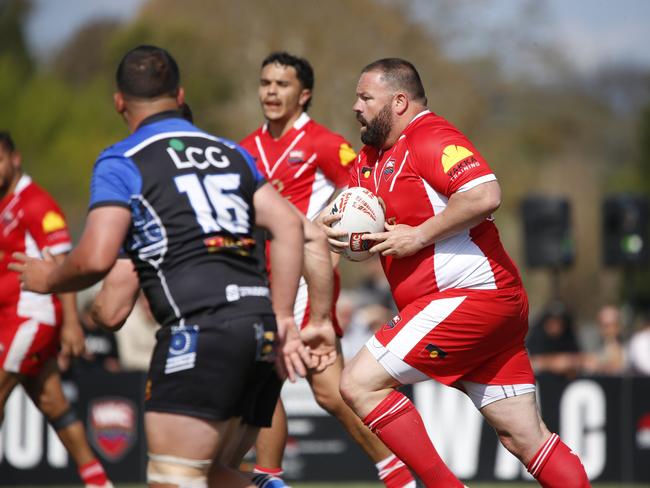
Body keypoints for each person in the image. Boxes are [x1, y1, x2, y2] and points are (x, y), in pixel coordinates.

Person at [10, 45, 334, 488]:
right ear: (179, 95)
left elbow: (98, 259)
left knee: (173, 478)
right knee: (214, 474)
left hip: (199, 332)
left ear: (119, 102)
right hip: (259, 330)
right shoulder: (231, 153)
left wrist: (51, 278)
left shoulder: (123, 160)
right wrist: (283, 318)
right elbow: (291, 227)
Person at [318, 58, 591, 487]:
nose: (356, 106)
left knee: (357, 383)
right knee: (524, 438)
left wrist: (418, 236)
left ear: (400, 101)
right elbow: (335, 215)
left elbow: (485, 194)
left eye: (366, 97)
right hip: (481, 308)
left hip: (474, 296)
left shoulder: (429, 136)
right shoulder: (371, 158)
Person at [240, 51, 415, 488]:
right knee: (271, 387)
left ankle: (396, 471)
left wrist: (334, 254)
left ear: (305, 94)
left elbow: (363, 192)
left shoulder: (322, 142)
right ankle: (272, 477)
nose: (271, 92)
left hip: (304, 284)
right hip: (256, 282)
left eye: (282, 84)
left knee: (326, 391)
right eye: (265, 83)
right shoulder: (243, 150)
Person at [0, 131, 113, 488]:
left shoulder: (36, 203)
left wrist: (71, 326)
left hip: (31, 318)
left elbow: (60, 262)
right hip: (10, 319)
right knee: (53, 403)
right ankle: (98, 481)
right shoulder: (4, 203)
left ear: (15, 159)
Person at [526, 302, 583, 378]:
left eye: (559, 322)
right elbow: (530, 361)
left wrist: (569, 362)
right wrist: (552, 363)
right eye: (552, 322)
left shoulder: (568, 336)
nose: (556, 326)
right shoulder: (536, 337)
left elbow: (579, 357)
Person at [582, 304, 625, 375]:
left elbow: (620, 366)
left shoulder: (629, 343)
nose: (610, 330)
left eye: (614, 325)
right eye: (606, 326)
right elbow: (589, 364)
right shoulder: (590, 343)